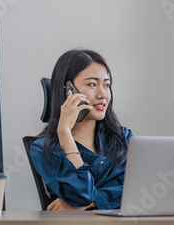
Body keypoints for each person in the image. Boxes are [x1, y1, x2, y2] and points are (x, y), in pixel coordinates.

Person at [30, 49, 132, 211]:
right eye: (92, 84)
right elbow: (82, 196)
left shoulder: (123, 137)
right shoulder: (43, 149)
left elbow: (142, 190)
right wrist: (64, 131)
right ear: (67, 90)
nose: (103, 94)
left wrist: (93, 201)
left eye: (106, 85)